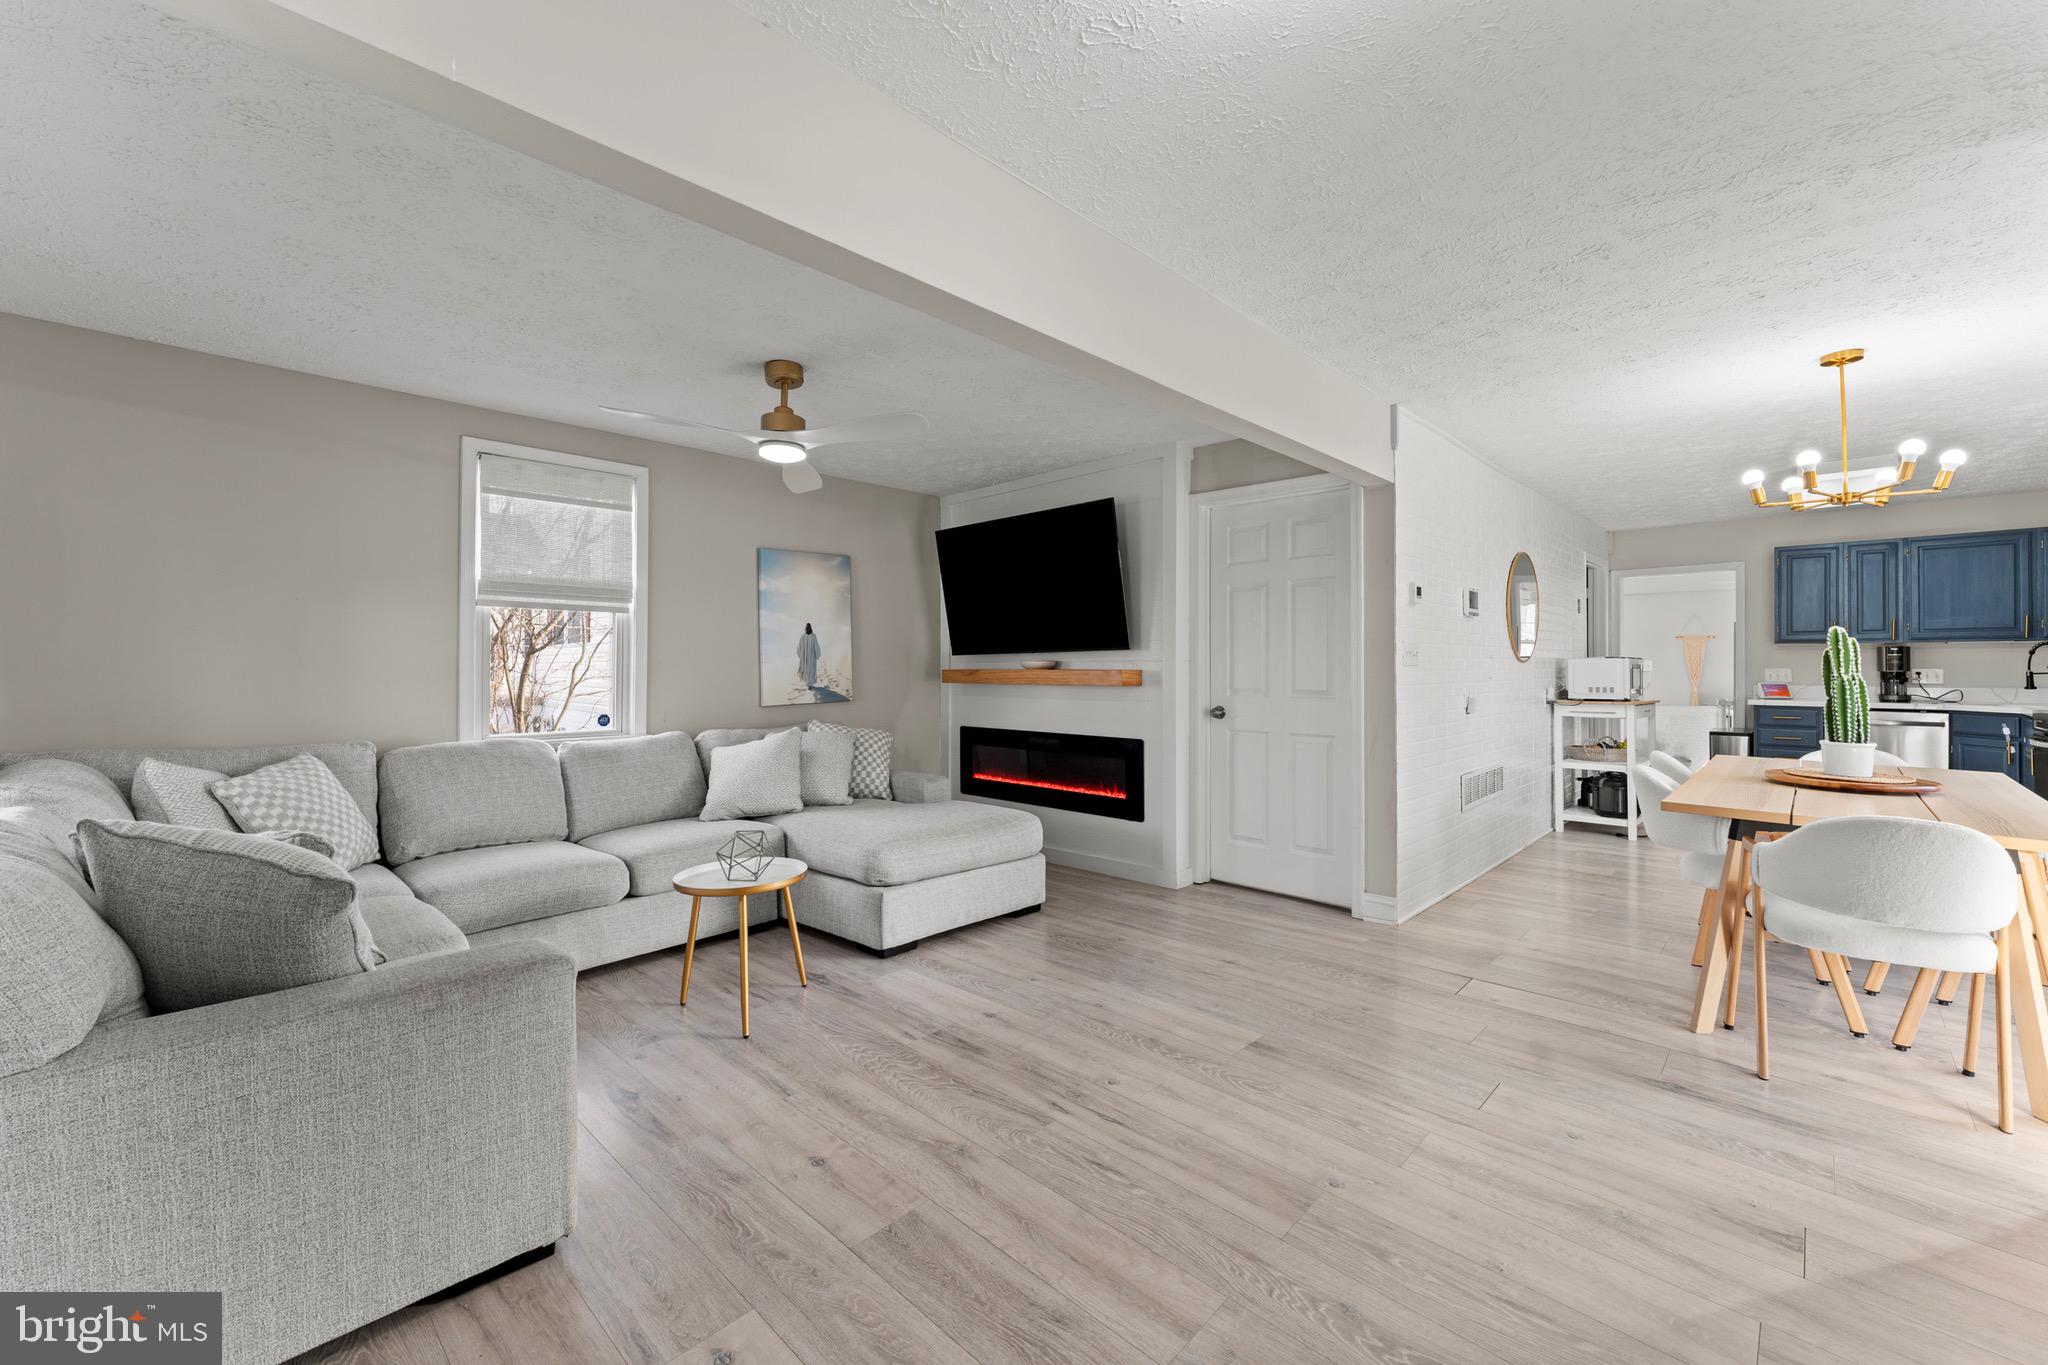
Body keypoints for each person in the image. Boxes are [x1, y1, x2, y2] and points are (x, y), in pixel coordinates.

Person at [796, 622, 822, 691]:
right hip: (805, 657)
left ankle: (810, 684)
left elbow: (816, 645)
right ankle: (808, 684)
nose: (808, 628)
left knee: (811, 669)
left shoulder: (813, 636)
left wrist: (817, 654)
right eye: (807, 627)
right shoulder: (803, 636)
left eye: (808, 627)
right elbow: (799, 646)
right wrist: (800, 654)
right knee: (807, 669)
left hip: (812, 656)